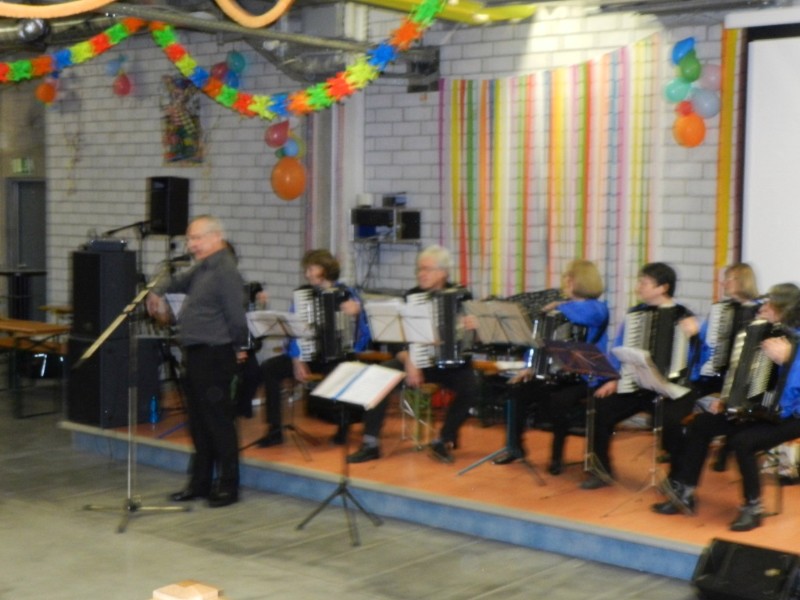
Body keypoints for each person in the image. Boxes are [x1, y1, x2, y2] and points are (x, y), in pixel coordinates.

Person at [652, 283, 800, 532]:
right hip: (759, 410)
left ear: (784, 309)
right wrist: (730, 401)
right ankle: (684, 492)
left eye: (769, 304)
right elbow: (745, 376)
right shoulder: (762, 333)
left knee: (743, 442)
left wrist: (789, 360)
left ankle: (753, 507)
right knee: (701, 424)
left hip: (791, 416)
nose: (763, 308)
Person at [146, 215, 249, 508]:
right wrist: (156, 291)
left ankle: (228, 486)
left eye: (197, 238)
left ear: (216, 237)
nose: (191, 245)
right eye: (190, 239)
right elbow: (176, 281)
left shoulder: (225, 270)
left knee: (218, 423)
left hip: (215, 355)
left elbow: (236, 315)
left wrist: (240, 347)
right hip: (196, 354)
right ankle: (199, 483)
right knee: (199, 423)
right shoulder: (203, 267)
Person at [346, 244, 480, 465]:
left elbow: (473, 340)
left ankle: (443, 440)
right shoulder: (412, 296)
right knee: (378, 375)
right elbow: (396, 340)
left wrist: (473, 328)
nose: (421, 274)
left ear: (443, 272)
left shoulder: (462, 296)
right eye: (419, 269)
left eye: (427, 269)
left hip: (451, 363)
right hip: (417, 362)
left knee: (472, 388)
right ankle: (370, 444)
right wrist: (409, 362)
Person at [581, 262, 700, 490]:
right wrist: (613, 379)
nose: (638, 287)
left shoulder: (684, 316)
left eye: (644, 283)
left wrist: (696, 333)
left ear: (662, 288)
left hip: (673, 387)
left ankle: (676, 480)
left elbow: (698, 357)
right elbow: (619, 349)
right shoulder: (635, 315)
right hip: (638, 386)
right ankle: (600, 470)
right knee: (600, 407)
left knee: (672, 421)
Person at [493, 260, 609, 475]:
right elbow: (539, 342)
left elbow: (584, 315)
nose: (565, 281)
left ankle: (556, 457)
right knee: (517, 391)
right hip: (556, 374)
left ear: (581, 281)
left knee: (559, 401)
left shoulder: (598, 308)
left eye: (569, 278)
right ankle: (515, 447)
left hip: (586, 377)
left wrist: (559, 305)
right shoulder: (560, 309)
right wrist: (529, 366)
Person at [256, 249, 370, 447]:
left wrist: (359, 313)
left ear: (325, 269)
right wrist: (296, 359)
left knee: (345, 369)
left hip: (338, 356)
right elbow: (293, 330)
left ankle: (343, 428)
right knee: (269, 368)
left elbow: (365, 335)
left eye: (311, 269)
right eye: (306, 270)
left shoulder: (348, 294)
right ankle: (274, 430)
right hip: (308, 355)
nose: (307, 274)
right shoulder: (302, 296)